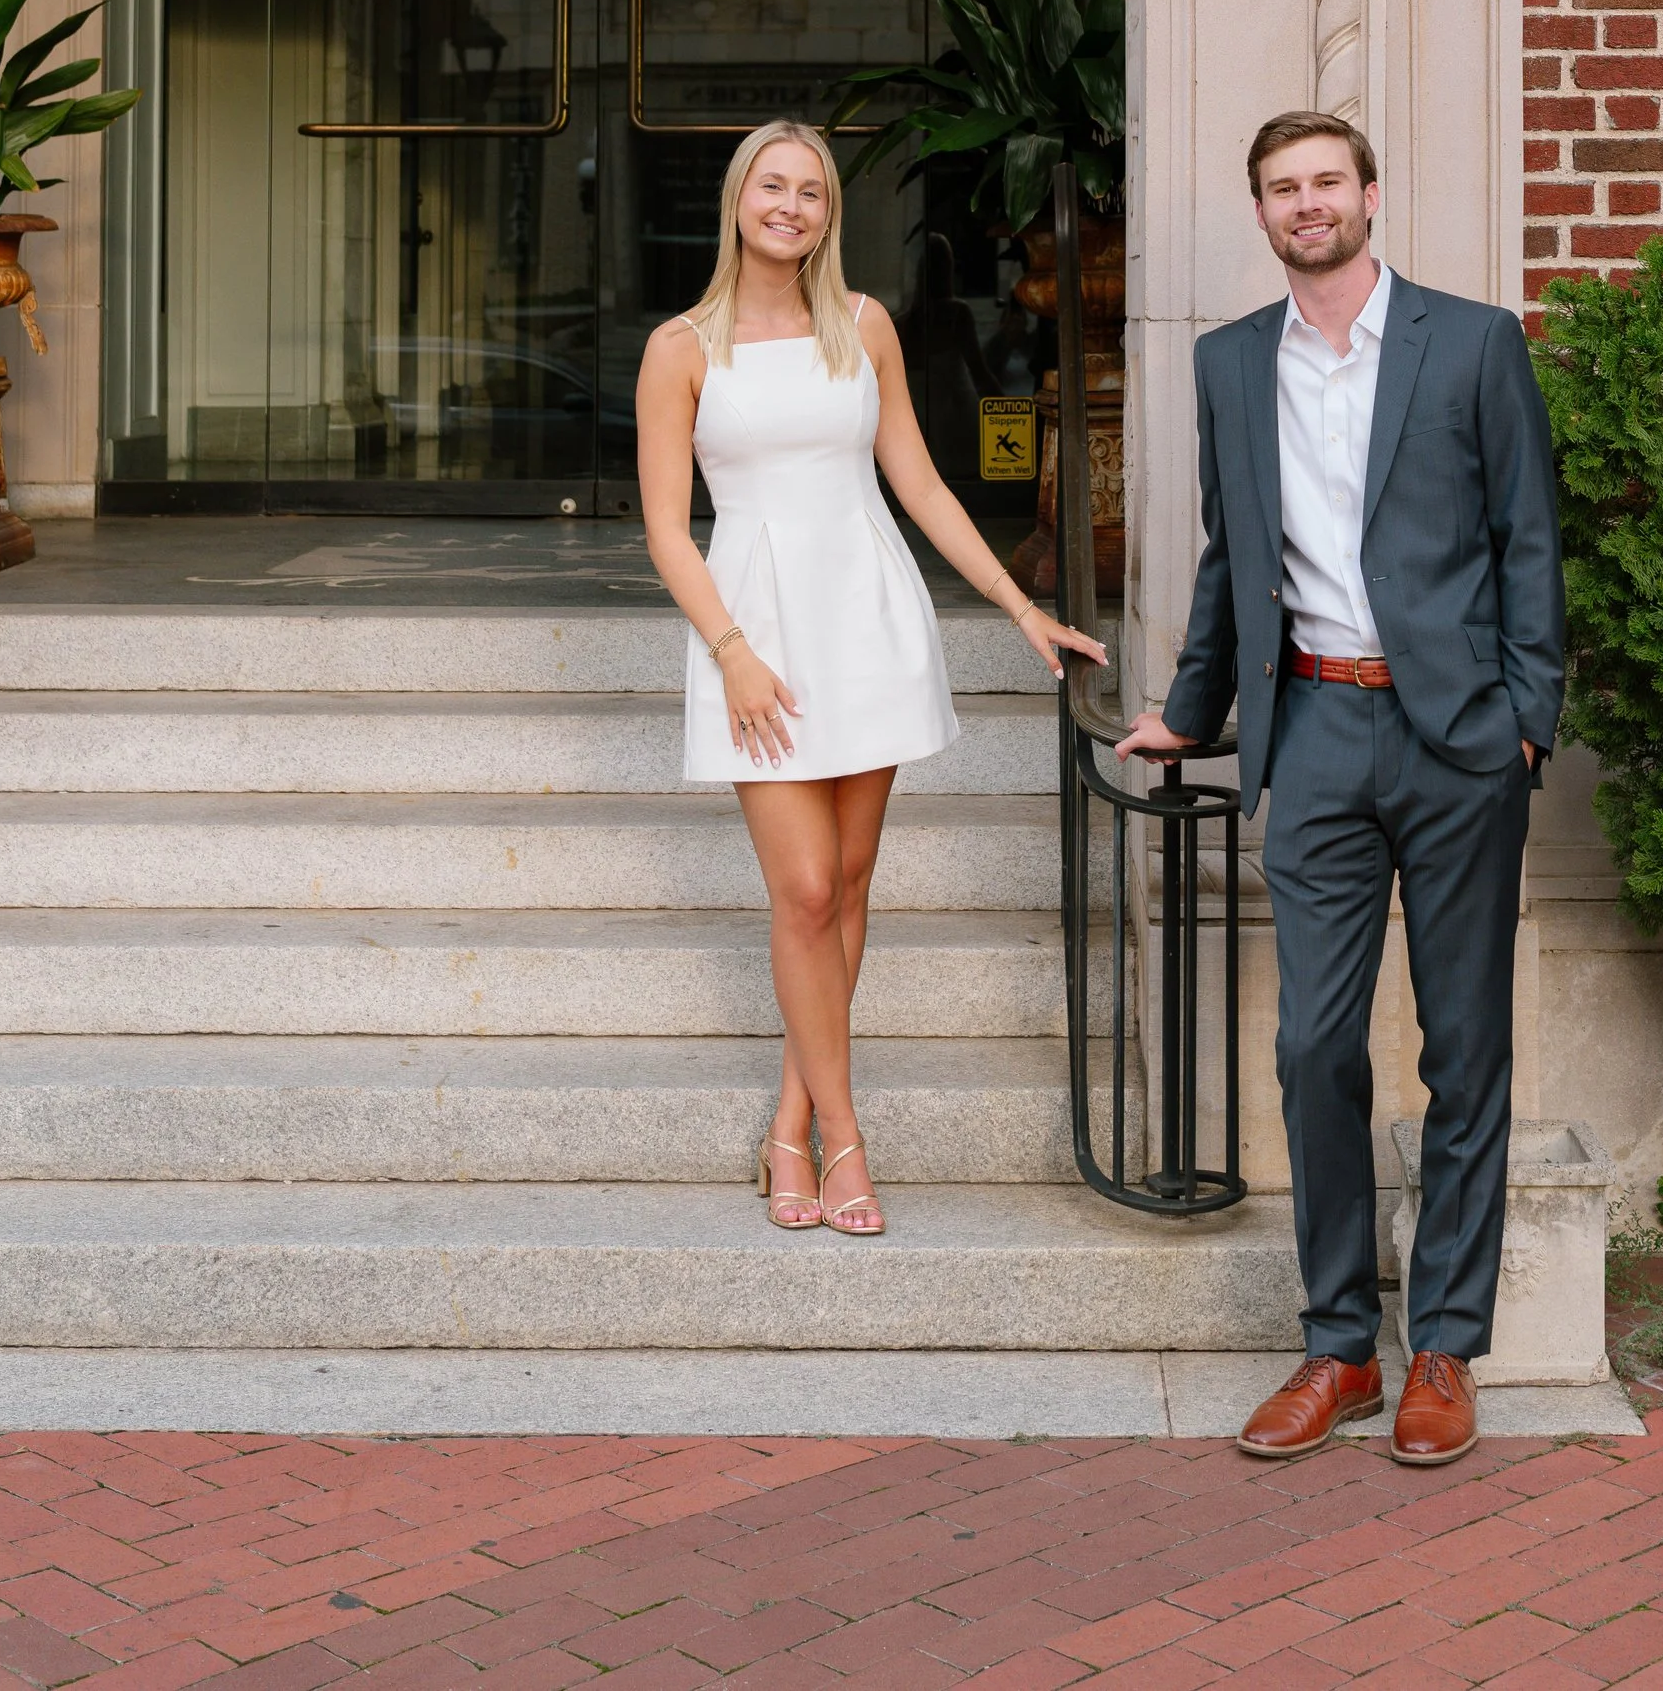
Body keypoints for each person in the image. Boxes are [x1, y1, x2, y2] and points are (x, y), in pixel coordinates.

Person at [1117, 111, 1564, 1467]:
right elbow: (1225, 554)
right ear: (1262, 212)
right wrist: (1192, 712)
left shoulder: (1471, 341)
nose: (1307, 203)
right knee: (1313, 1042)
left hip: (1456, 742)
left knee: (1462, 1045)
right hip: (1309, 729)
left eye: (1326, 180)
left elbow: (1529, 537)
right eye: (1281, 188)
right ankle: (1337, 1347)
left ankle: (1444, 1342)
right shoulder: (1230, 362)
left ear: (1370, 192)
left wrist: (1525, 718)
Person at [639, 121, 1101, 1236]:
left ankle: (790, 1124)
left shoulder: (863, 327)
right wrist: (733, 652)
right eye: (772, 185)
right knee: (800, 892)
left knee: (845, 888)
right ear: (740, 199)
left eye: (810, 190)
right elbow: (665, 531)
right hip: (757, 635)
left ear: (828, 212)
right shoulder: (682, 345)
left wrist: (1019, 603)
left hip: (866, 617)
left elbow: (926, 488)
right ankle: (845, 1140)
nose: (789, 205)